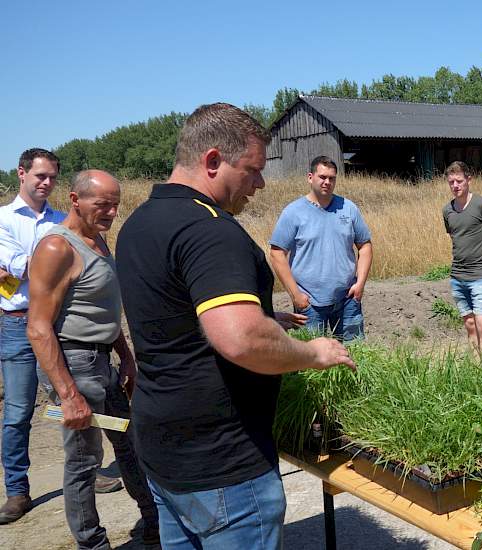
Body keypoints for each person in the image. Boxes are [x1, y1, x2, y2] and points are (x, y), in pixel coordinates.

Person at [116, 103, 355, 549]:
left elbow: (182, 318)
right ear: (212, 161)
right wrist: (314, 353)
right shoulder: (210, 230)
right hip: (222, 462)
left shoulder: (139, 222)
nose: (260, 184)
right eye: (252, 170)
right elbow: (240, 339)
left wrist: (265, 318)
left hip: (164, 449)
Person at [26, 170, 160, 549]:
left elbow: (100, 309)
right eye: (103, 204)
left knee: (131, 444)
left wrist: (126, 358)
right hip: (75, 365)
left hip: (104, 362)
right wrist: (68, 396)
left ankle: (154, 524)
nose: (112, 211)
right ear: (75, 200)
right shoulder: (57, 248)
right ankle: (92, 543)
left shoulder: (97, 239)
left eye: (116, 204)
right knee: (84, 461)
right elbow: (38, 327)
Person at [0, 148, 65, 524]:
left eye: (53, 177)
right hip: (18, 324)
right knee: (18, 412)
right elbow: (20, 267)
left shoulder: (60, 220)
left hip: (58, 323)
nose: (46, 183)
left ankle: (84, 471)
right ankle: (17, 490)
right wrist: (58, 263)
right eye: (40, 176)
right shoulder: (4, 219)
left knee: (67, 399)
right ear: (21, 173)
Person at [269, 156, 373, 341]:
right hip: (309, 302)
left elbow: (364, 245)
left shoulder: (348, 209)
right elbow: (277, 253)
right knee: (312, 360)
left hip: (348, 298)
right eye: (322, 177)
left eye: (332, 178)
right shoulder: (293, 212)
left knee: (354, 354)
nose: (327, 182)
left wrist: (360, 284)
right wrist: (296, 295)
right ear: (310, 177)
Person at [442, 161, 482, 354]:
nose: (455, 186)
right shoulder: (447, 210)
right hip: (458, 277)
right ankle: (475, 369)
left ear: (469, 180)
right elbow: (456, 238)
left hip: (480, 277)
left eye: (459, 181)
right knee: (470, 325)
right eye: (451, 182)